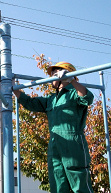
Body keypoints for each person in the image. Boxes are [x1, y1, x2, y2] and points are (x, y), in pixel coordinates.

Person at [13, 61, 94, 193]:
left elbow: (87, 97)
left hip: (73, 142)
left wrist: (71, 79)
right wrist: (13, 88)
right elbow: (30, 102)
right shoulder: (51, 99)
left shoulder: (74, 92)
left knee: (79, 183)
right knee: (57, 183)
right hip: (55, 144)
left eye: (55, 73)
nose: (52, 76)